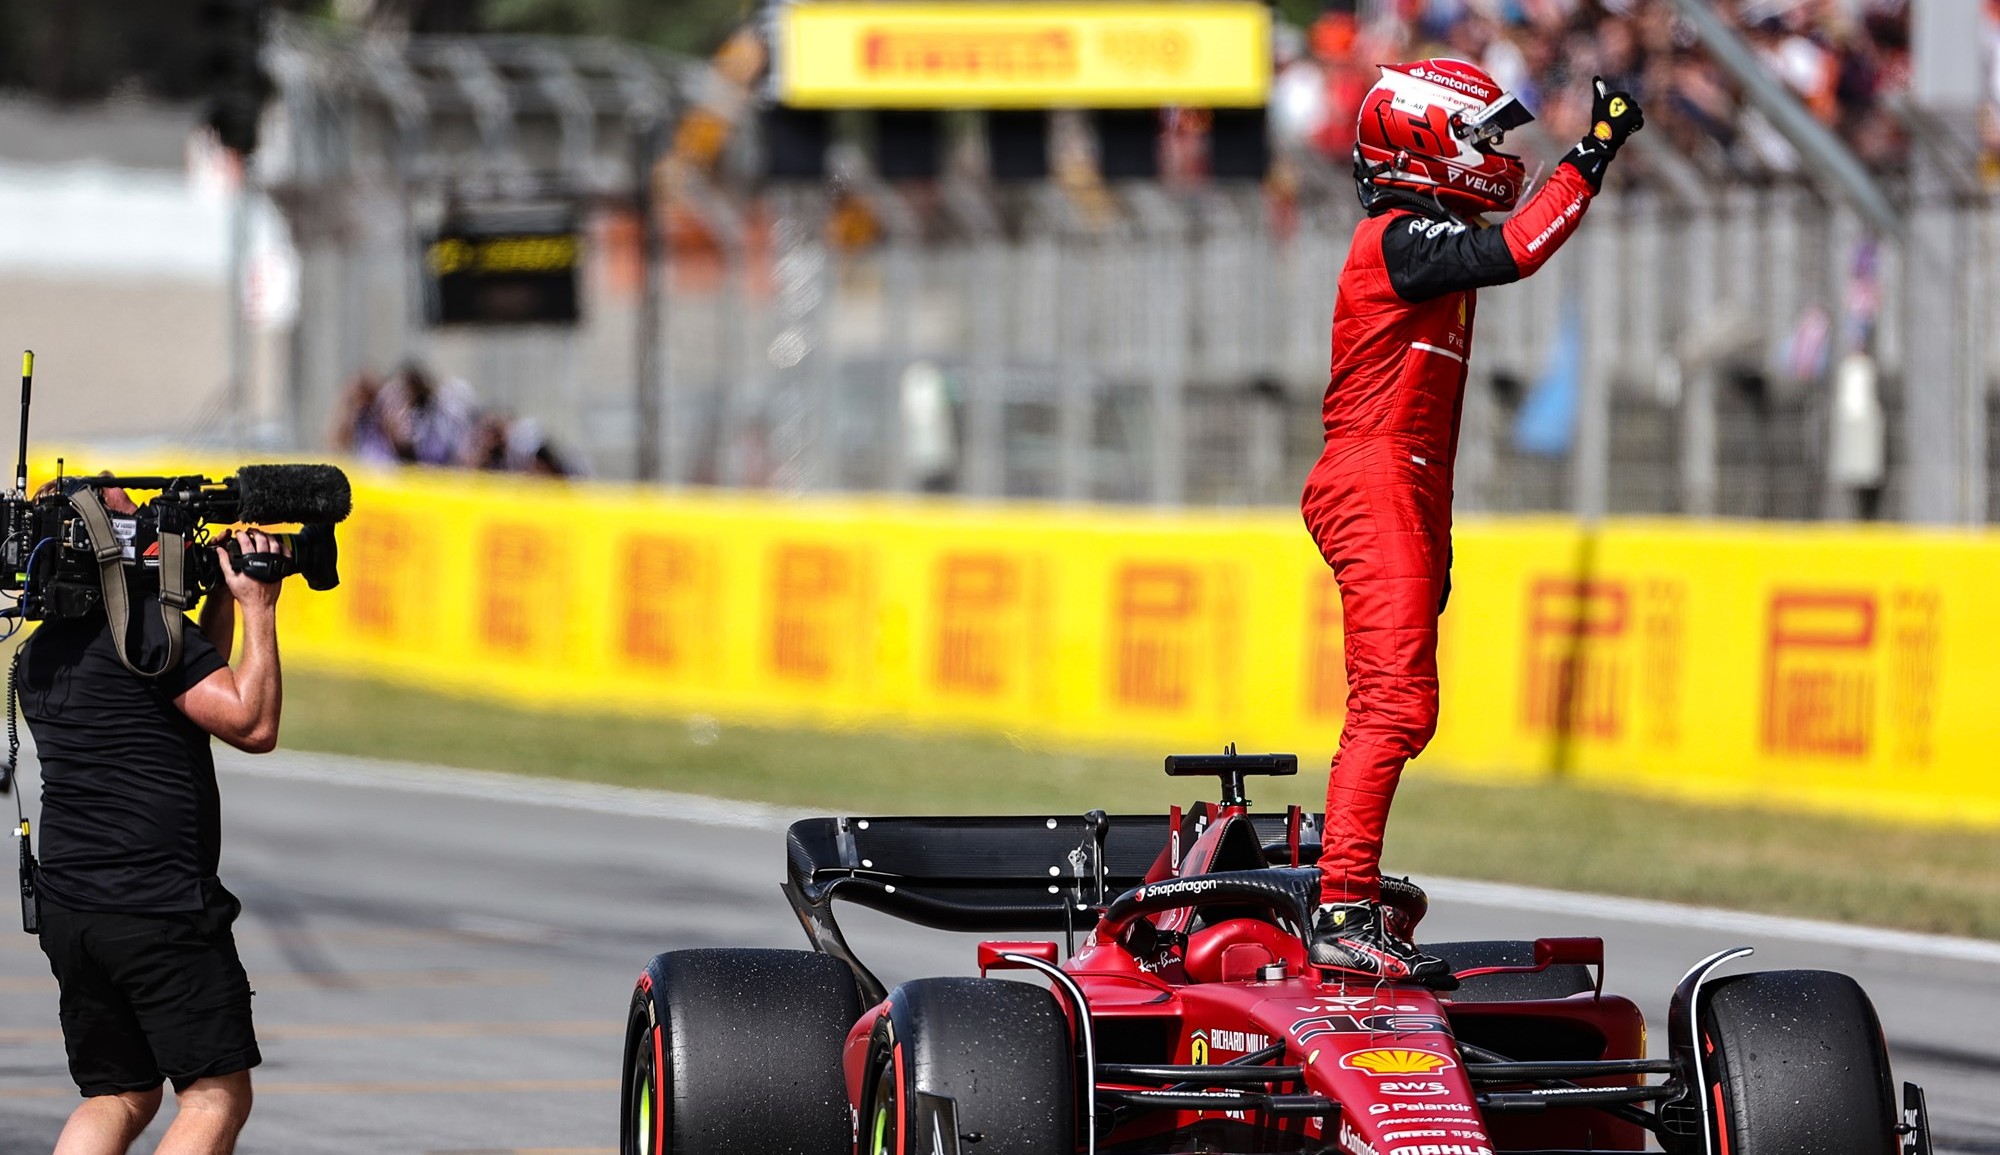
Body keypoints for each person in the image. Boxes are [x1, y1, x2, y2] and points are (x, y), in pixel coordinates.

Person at [1301, 61, 1643, 981]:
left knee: (1401, 702)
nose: (1497, 155)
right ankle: (1340, 907)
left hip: (1405, 480)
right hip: (1375, 474)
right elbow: (1520, 247)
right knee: (1395, 700)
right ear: (1427, 139)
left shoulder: (1418, 241)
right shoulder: (1398, 240)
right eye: (1484, 137)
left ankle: (1347, 890)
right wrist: (1593, 151)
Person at [20, 482, 287, 1155]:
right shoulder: (142, 627)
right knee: (215, 1093)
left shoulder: (40, 654)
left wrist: (219, 596)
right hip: (157, 909)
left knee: (119, 1093)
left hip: (73, 911)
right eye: (131, 515)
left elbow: (184, 686)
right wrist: (259, 606)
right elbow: (250, 722)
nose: (149, 527)